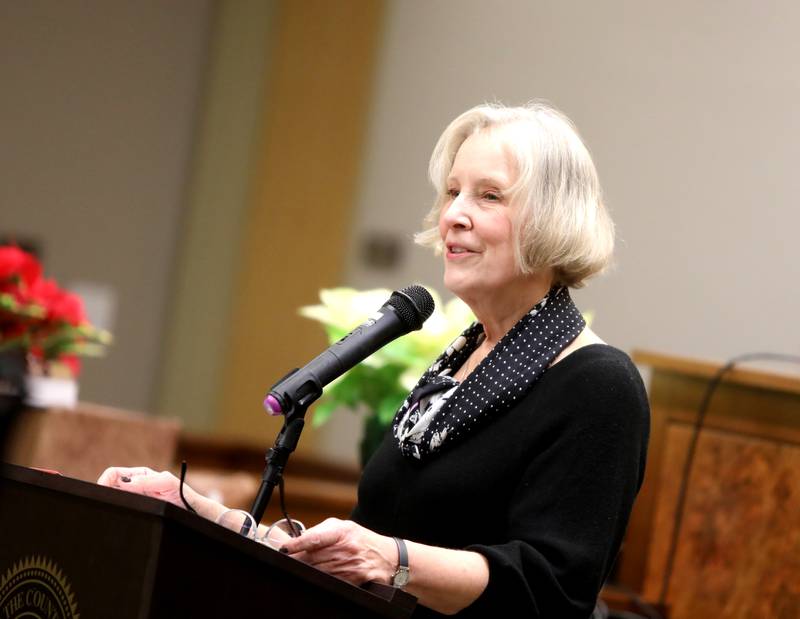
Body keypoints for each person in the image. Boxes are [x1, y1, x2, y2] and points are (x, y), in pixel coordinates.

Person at [98, 101, 649, 618]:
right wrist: (196, 508)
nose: (453, 214)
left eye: (489, 196)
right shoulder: (458, 365)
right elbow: (359, 554)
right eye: (452, 191)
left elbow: (551, 592)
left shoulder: (598, 385)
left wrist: (396, 561)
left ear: (555, 218)